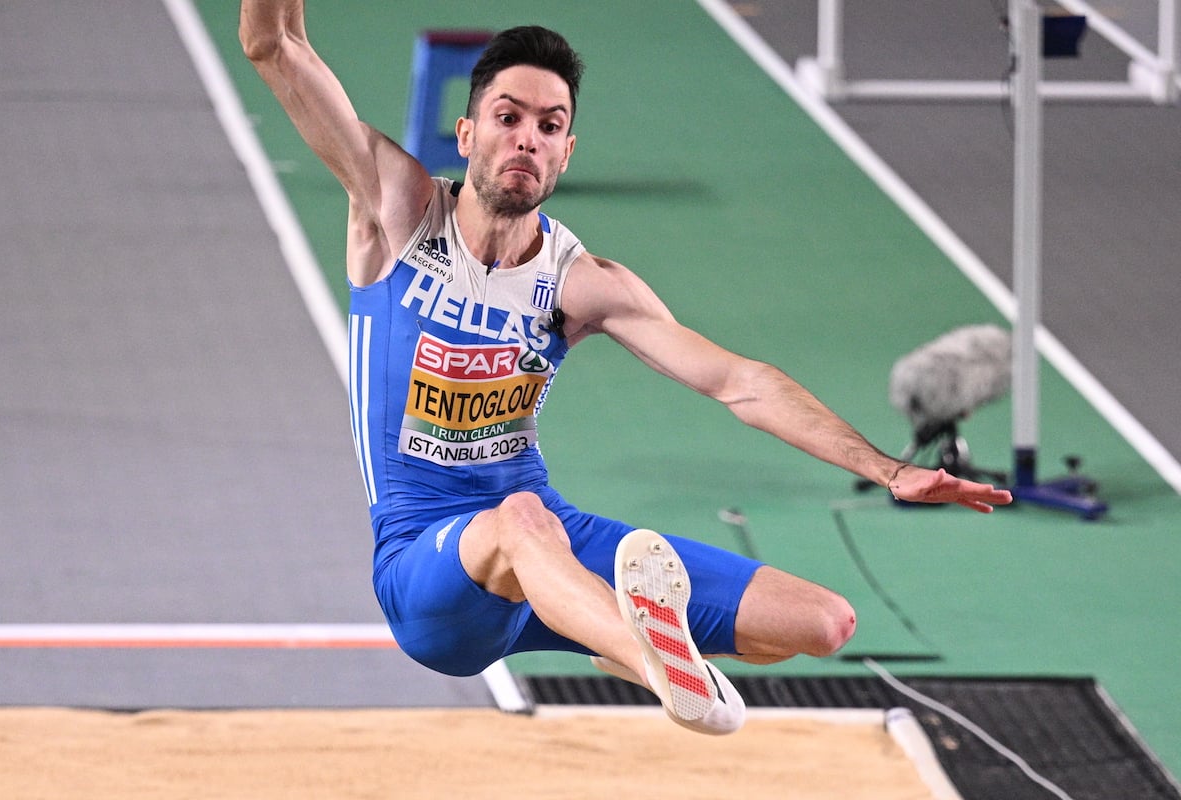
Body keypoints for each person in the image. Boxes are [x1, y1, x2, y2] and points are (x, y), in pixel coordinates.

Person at [240, 4, 1013, 735]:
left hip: (551, 553)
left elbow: (739, 382)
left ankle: (612, 639)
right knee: (521, 519)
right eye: (508, 118)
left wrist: (888, 470)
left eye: (550, 126)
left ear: (567, 151)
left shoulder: (583, 283)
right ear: (466, 133)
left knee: (822, 621)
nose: (528, 139)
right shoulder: (396, 211)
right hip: (428, 570)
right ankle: (656, 664)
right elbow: (273, 43)